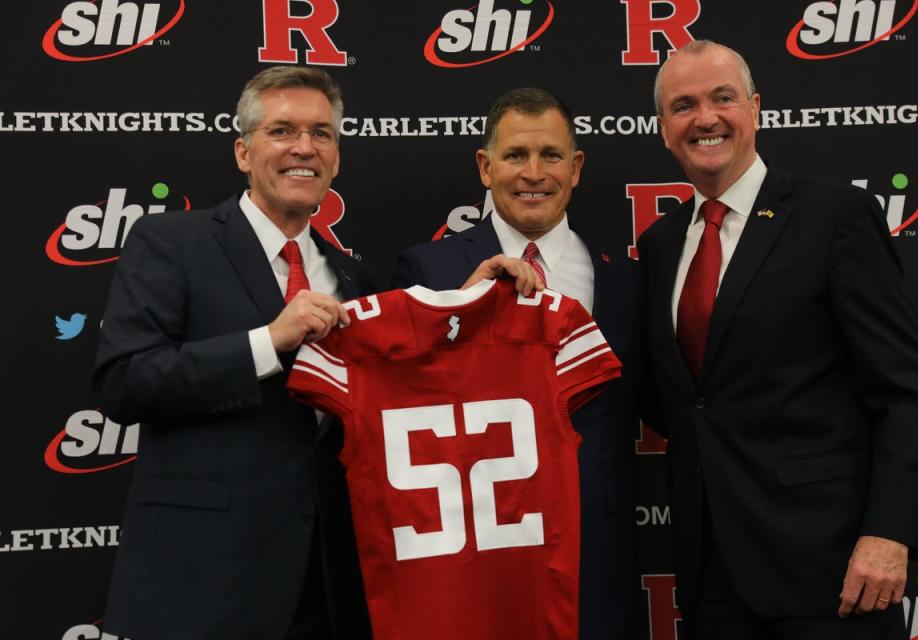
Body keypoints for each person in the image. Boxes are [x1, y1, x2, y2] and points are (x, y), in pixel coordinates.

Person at [636, 40, 918, 639]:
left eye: (723, 98)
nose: (706, 119)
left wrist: (889, 533)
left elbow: (905, 392)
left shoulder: (835, 217)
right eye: (683, 106)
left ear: (755, 107)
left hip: (830, 569)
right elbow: (681, 399)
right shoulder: (661, 243)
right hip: (710, 572)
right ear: (664, 129)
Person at [94, 66, 374, 639]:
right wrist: (267, 342)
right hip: (200, 583)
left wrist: (468, 301)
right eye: (283, 131)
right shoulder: (170, 242)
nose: (304, 147)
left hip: (324, 586)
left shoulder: (351, 275)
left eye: (322, 133)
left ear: (337, 158)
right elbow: (126, 382)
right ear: (244, 152)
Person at [394, 87, 642, 639]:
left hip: (593, 550)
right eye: (515, 156)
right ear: (485, 167)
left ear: (575, 168)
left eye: (551, 155)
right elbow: (402, 401)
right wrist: (460, 308)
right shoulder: (428, 268)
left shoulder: (624, 276)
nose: (534, 173)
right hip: (474, 546)